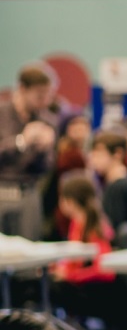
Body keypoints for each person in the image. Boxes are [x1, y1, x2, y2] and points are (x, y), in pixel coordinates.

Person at [49, 172, 127, 330]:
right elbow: (75, 263)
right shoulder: (78, 222)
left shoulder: (93, 226)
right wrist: (62, 270)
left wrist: (70, 276)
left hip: (105, 294)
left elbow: (105, 271)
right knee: (49, 283)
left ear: (70, 201)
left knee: (53, 289)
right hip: (99, 290)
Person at [0, 65, 58, 238]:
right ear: (22, 89)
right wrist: (21, 141)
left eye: (48, 95)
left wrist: (43, 150)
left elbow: (46, 167)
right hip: (3, 189)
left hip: (29, 192)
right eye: (40, 94)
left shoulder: (47, 121)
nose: (45, 101)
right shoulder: (2, 115)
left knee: (30, 253)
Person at [86, 130, 127, 248]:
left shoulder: (119, 187)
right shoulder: (109, 184)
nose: (93, 159)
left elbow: (113, 230)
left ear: (117, 154)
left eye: (98, 154)